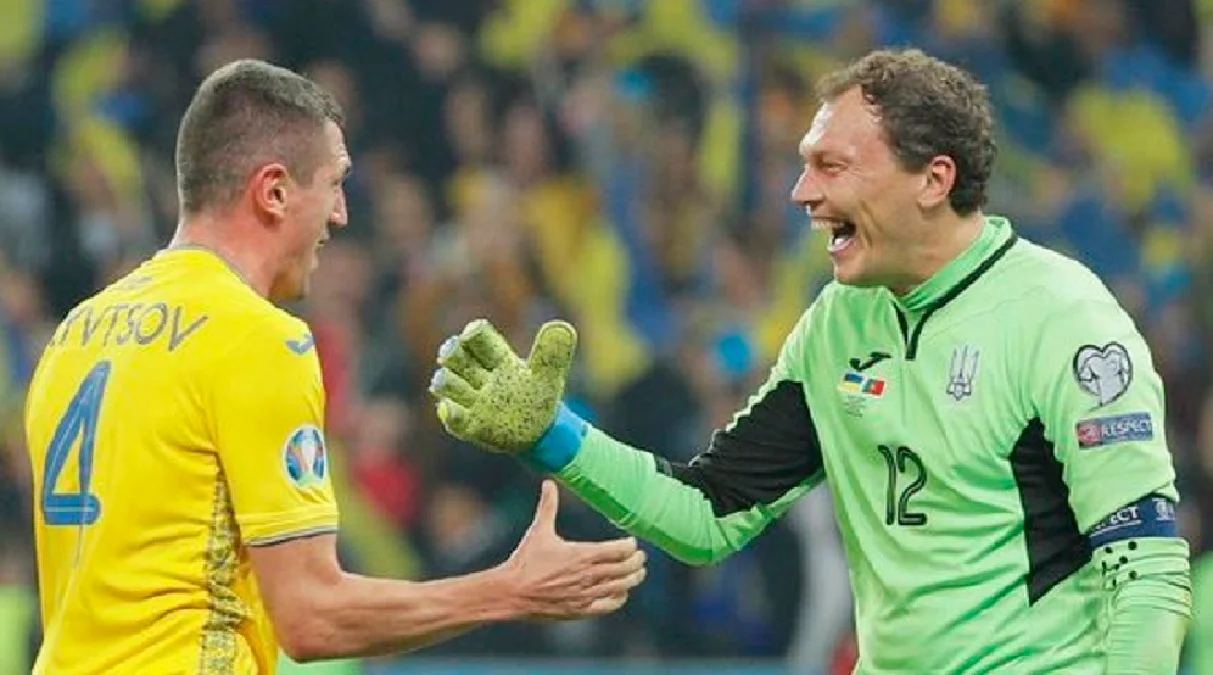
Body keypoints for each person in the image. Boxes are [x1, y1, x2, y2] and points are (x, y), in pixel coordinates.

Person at [429, 48, 1192, 673]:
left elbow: (1145, 571)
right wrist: (552, 434)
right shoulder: (839, 322)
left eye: (832, 166)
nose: (801, 192)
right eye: (804, 165)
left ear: (933, 179)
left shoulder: (1061, 316)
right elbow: (707, 514)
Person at [24, 59, 646, 675]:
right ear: (273, 191)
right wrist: (510, 588)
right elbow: (311, 617)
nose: (342, 214)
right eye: (334, 183)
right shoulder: (255, 337)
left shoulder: (76, 334)